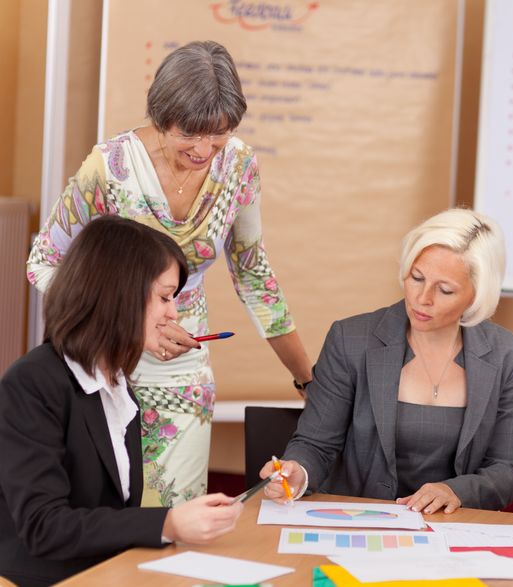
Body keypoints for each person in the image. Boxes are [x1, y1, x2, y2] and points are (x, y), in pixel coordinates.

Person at [27, 41, 312, 507]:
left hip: (181, 362)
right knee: (99, 514)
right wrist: (130, 324)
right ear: (162, 117)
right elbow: (44, 260)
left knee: (176, 518)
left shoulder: (238, 165)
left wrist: (307, 380)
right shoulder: (111, 166)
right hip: (99, 358)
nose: (204, 150)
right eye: (190, 134)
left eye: (218, 134)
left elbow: (253, 273)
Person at [0, 217, 243, 587]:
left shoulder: (117, 384)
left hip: (106, 572)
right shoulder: (33, 383)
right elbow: (44, 526)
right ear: (119, 292)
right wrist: (167, 522)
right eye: (164, 297)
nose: (173, 313)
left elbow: (108, 516)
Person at [260, 208, 513, 513]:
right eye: (416, 278)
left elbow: (508, 470)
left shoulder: (506, 353)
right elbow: (316, 444)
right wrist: (300, 473)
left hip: (452, 533)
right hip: (360, 526)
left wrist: (456, 491)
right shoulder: (351, 339)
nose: (422, 298)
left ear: (477, 295)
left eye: (445, 290)